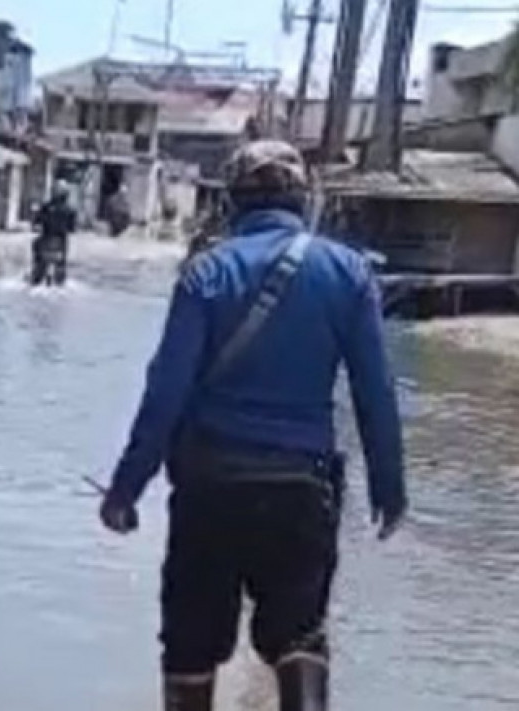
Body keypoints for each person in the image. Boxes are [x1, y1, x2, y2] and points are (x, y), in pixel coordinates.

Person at [97, 141, 408, 711]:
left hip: (210, 488)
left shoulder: (206, 272)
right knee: (299, 638)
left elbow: (165, 394)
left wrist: (126, 490)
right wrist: (390, 488)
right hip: (302, 488)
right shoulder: (350, 273)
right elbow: (375, 393)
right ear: (303, 199)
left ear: (232, 204)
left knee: (191, 647)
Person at [31, 182, 78, 286]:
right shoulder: (70, 209)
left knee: (37, 256)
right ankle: (58, 279)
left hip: (46, 238)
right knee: (61, 264)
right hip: (61, 240)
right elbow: (72, 228)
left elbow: (36, 223)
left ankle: (36, 275)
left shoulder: (46, 207)